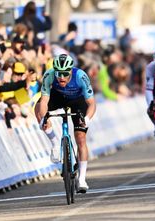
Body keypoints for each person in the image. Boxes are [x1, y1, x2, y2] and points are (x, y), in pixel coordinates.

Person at [35, 54, 96, 193]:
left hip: (77, 101)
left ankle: (82, 179)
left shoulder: (80, 76)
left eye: (64, 73)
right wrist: (44, 118)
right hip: (58, 97)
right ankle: (55, 143)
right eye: (58, 73)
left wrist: (86, 120)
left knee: (80, 138)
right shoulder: (49, 75)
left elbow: (92, 103)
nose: (61, 77)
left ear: (70, 71)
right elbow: (44, 101)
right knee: (37, 108)